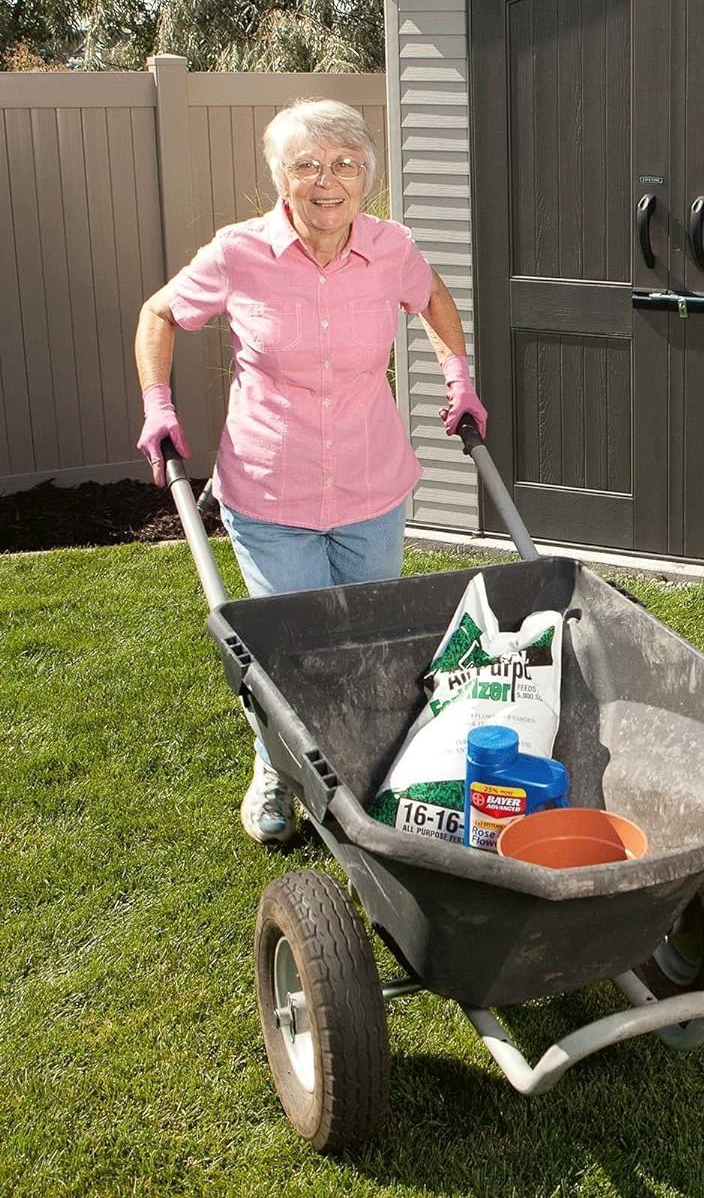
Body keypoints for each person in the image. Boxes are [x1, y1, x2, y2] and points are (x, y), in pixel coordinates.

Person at [134, 98, 487, 846]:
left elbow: (431, 298)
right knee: (290, 649)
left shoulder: (390, 246)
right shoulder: (238, 253)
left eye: (346, 164)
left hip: (369, 485)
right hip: (271, 488)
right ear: (279, 178)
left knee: (367, 642)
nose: (328, 181)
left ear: (368, 176)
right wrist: (157, 403)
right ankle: (274, 768)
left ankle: (364, 764)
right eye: (307, 165)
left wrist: (458, 376)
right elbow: (158, 314)